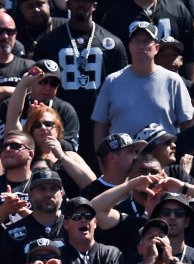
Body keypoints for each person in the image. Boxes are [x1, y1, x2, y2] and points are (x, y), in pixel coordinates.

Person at [32, 0, 127, 162]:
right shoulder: (49, 43)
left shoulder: (114, 44)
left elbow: (121, 90)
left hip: (99, 124)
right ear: (68, 4)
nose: (82, 5)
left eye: (87, 1)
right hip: (60, 121)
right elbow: (37, 84)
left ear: (95, 5)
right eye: (77, 1)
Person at [91, 19, 193, 154]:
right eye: (136, 41)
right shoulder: (112, 81)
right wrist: (103, 162)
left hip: (161, 163)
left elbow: (187, 125)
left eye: (146, 42)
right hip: (122, 164)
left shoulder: (173, 80)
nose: (141, 46)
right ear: (130, 46)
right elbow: (100, 126)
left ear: (156, 48)